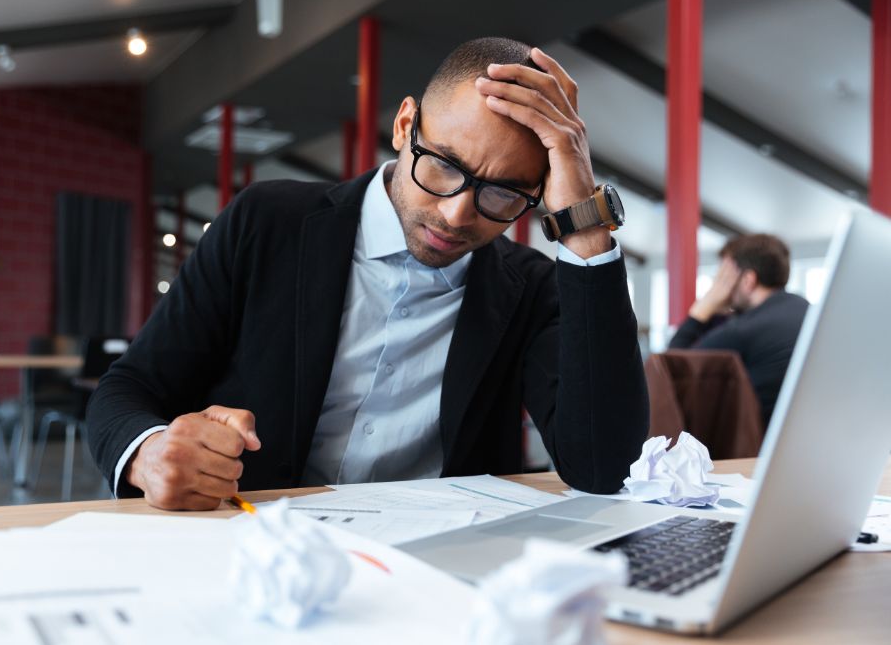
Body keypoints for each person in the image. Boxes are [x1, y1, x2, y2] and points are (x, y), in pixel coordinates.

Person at [86, 37, 649, 511]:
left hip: (440, 571)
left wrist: (584, 225)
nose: (456, 214)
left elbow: (604, 467)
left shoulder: (530, 287)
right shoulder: (268, 222)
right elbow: (126, 390)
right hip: (254, 543)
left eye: (503, 194)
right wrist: (149, 452)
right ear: (406, 125)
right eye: (444, 166)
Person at [669, 234, 809, 425]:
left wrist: (704, 307)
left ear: (748, 280)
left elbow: (671, 373)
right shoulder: (803, 308)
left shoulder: (744, 329)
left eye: (723, 278)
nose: (719, 286)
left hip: (758, 445)